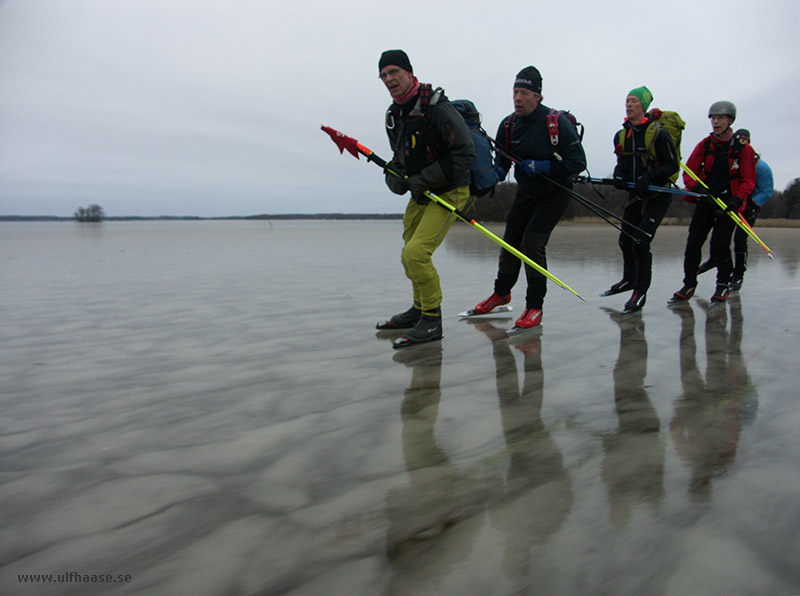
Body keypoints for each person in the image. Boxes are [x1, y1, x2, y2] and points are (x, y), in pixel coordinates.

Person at [471, 66, 586, 328]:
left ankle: (535, 306)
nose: (518, 98)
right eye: (515, 92)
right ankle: (501, 293)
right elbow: (502, 160)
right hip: (525, 193)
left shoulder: (557, 123)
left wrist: (545, 166)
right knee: (510, 242)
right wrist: (494, 174)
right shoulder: (508, 125)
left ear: (538, 96)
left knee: (532, 244)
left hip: (555, 193)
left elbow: (578, 161)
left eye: (524, 92)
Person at [375, 50, 476, 348]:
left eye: (394, 71)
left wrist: (423, 180)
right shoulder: (394, 115)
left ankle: (432, 320)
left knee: (416, 253)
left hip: (452, 188)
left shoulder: (437, 107)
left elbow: (466, 153)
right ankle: (419, 310)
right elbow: (402, 157)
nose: (389, 79)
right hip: (423, 191)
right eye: (383, 75)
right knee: (409, 249)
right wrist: (395, 175)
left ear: (409, 72)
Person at [669, 101, 756, 305]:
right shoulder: (705, 145)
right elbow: (688, 172)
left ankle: (722, 285)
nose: (715, 122)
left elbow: (748, 180)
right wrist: (697, 188)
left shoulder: (743, 149)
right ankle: (689, 283)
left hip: (728, 205)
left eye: (720, 118)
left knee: (720, 245)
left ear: (730, 120)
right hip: (706, 200)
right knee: (693, 243)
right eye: (713, 118)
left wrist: (738, 198)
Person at [602, 86, 679, 313]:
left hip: (657, 195)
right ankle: (628, 279)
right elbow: (622, 163)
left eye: (634, 100)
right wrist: (618, 176)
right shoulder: (621, 135)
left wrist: (650, 176)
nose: (629, 104)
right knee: (626, 240)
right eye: (627, 100)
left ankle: (640, 290)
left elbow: (672, 165)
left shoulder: (659, 134)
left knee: (640, 241)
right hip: (635, 196)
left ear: (643, 106)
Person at [696, 128, 773, 291]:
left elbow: (767, 190)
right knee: (720, 237)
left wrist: (751, 203)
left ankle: (738, 275)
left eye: (745, 141)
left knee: (740, 240)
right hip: (731, 204)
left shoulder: (761, 167)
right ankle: (714, 259)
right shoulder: (731, 159)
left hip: (748, 208)